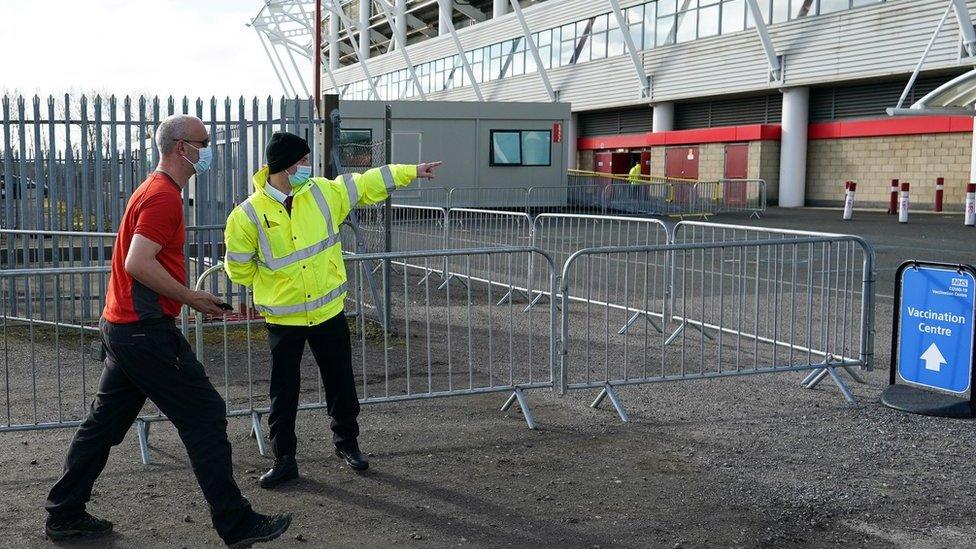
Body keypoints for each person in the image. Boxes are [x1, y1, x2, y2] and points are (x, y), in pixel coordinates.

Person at [44, 115, 292, 547]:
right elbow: (137, 263)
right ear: (182, 148)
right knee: (205, 416)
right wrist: (192, 296)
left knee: (102, 426)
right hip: (144, 332)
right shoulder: (162, 197)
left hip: (124, 329)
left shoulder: (152, 189)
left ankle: (64, 513)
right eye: (205, 142)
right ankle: (237, 525)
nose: (210, 149)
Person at [223, 132, 441, 488]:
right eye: (303, 161)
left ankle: (347, 444)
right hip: (285, 317)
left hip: (327, 311)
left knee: (340, 382)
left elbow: (369, 182)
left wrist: (411, 171)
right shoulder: (247, 215)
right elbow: (238, 268)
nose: (308, 167)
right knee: (284, 392)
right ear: (286, 165)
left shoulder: (324, 192)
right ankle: (285, 459)